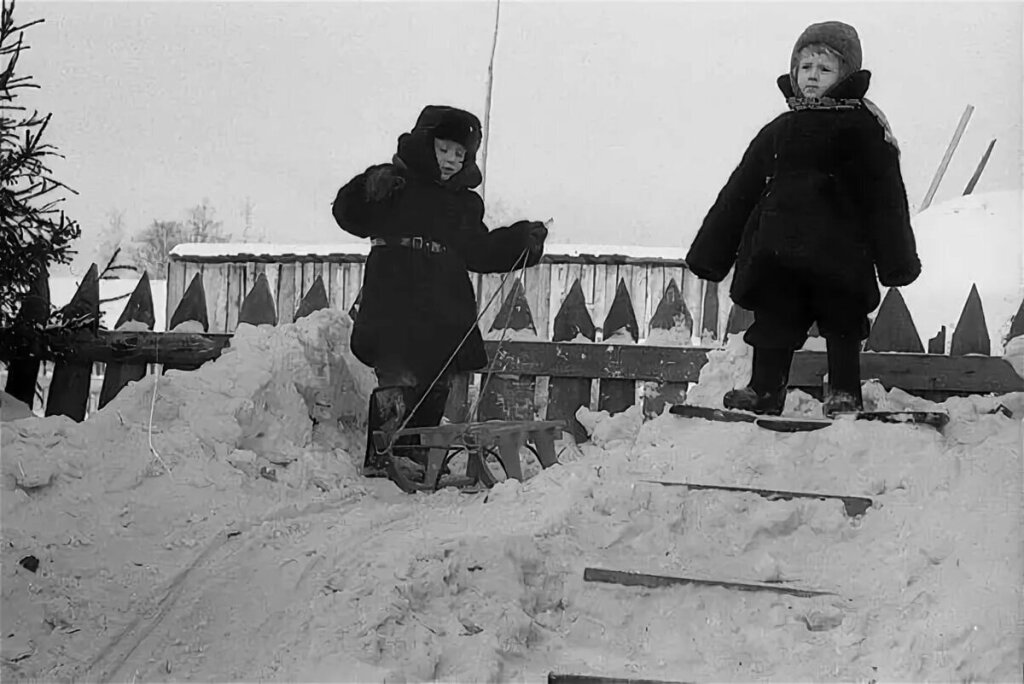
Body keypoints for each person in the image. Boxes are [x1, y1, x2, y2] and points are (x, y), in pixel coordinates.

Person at [685, 21, 920, 417]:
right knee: (773, 322)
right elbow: (740, 192)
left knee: (843, 322)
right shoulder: (780, 130)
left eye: (825, 68)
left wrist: (896, 260)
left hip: (841, 254)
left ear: (846, 76)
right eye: (805, 66)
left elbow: (886, 198)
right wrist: (711, 252)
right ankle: (764, 389)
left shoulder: (863, 129)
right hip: (777, 255)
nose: (812, 76)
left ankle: (844, 392)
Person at [331, 105, 548, 473]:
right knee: (398, 376)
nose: (450, 160)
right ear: (424, 143)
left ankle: (420, 453)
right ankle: (385, 455)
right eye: (444, 149)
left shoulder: (463, 203)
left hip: (444, 305)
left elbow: (478, 251)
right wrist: (367, 188)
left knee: (435, 381)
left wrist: (519, 241)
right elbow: (347, 215)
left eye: (460, 154)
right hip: (393, 298)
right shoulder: (393, 183)